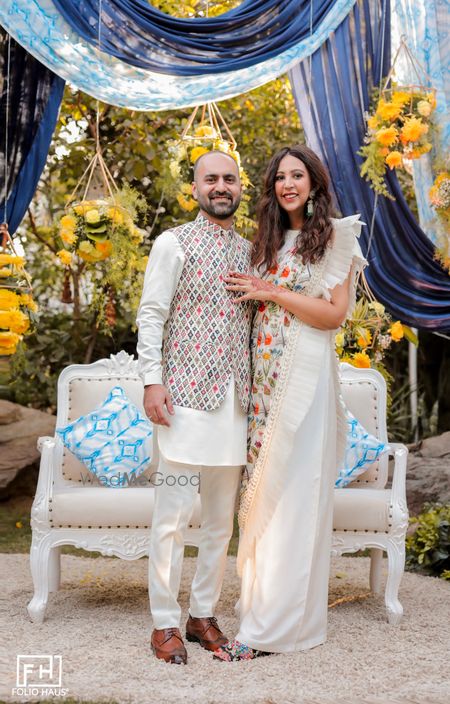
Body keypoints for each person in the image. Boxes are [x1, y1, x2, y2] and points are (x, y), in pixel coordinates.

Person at [214, 145, 367, 661]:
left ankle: (272, 632)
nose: (287, 184)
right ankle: (266, 618)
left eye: (297, 175)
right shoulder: (267, 240)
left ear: (315, 183)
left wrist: (270, 291)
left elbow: (332, 316)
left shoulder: (337, 238)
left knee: (296, 500)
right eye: (279, 177)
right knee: (262, 499)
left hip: (304, 381)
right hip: (263, 383)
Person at [136, 150, 252, 664]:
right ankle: (164, 623)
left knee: (221, 524)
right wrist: (151, 382)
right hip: (183, 407)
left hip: (234, 409)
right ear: (196, 188)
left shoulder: (252, 251)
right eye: (211, 179)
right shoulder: (173, 242)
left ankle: (201, 614)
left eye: (229, 178)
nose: (221, 186)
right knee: (172, 520)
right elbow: (152, 313)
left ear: (239, 187)